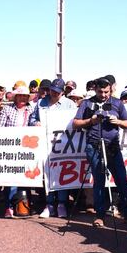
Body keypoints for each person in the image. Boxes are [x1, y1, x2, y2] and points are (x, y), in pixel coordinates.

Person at [73, 77, 127, 228]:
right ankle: (99, 216)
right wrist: (90, 121)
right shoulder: (86, 103)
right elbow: (75, 124)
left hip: (113, 146)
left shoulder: (117, 103)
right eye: (100, 91)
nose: (103, 95)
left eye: (106, 92)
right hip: (94, 146)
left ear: (111, 89)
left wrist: (117, 121)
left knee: (122, 181)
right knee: (99, 181)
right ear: (95, 89)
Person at [30, 78, 77, 218]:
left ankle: (62, 204)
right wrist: (36, 123)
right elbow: (32, 119)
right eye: (52, 90)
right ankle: (49, 204)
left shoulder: (70, 104)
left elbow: (75, 122)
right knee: (48, 174)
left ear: (63, 92)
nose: (53, 93)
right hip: (45, 144)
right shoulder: (41, 102)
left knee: (63, 172)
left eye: (57, 92)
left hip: (64, 144)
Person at [0, 86, 34, 218]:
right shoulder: (7, 109)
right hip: (10, 149)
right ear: (15, 97)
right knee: (11, 180)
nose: (23, 98)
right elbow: (0, 127)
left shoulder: (31, 109)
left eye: (25, 96)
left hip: (27, 149)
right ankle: (9, 206)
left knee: (26, 179)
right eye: (20, 95)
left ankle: (24, 206)